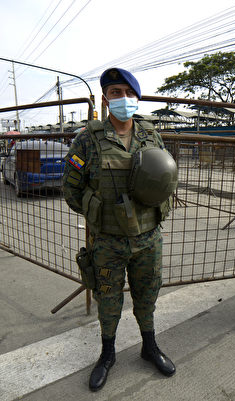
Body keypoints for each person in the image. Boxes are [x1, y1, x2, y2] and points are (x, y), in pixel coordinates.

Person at [62, 68, 177, 391]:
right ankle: (107, 353)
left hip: (148, 237)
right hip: (108, 240)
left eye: (128, 93)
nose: (122, 99)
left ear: (136, 98)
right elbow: (71, 188)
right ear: (105, 98)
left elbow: (165, 177)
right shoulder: (88, 140)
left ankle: (149, 346)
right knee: (108, 299)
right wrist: (99, 212)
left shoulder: (151, 135)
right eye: (115, 93)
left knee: (147, 295)